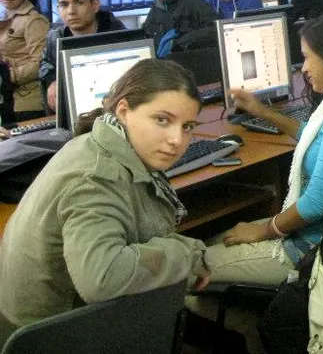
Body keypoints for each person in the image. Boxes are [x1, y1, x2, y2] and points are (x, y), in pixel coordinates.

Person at [0, 59, 211, 347]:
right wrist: (188, 254)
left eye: (187, 126)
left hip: (47, 321)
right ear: (123, 111)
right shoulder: (96, 177)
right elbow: (102, 277)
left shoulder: (99, 143)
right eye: (162, 120)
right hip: (51, 336)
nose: (177, 139)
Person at [203, 13, 323, 285]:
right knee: (212, 242)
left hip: (317, 247)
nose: (303, 68)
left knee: (192, 267)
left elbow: (316, 204)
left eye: (306, 57)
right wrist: (261, 111)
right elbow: (312, 135)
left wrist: (263, 231)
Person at [39, 0, 126, 113]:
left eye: (79, 3)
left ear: (95, 5)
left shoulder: (118, 35)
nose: (71, 11)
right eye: (64, 5)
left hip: (114, 110)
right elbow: (45, 62)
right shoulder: (55, 37)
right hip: (74, 113)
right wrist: (52, 81)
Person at [0, 0, 51, 121]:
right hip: (8, 98)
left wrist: (7, 76)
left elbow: (41, 63)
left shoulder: (34, 21)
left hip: (27, 102)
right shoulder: (6, 18)